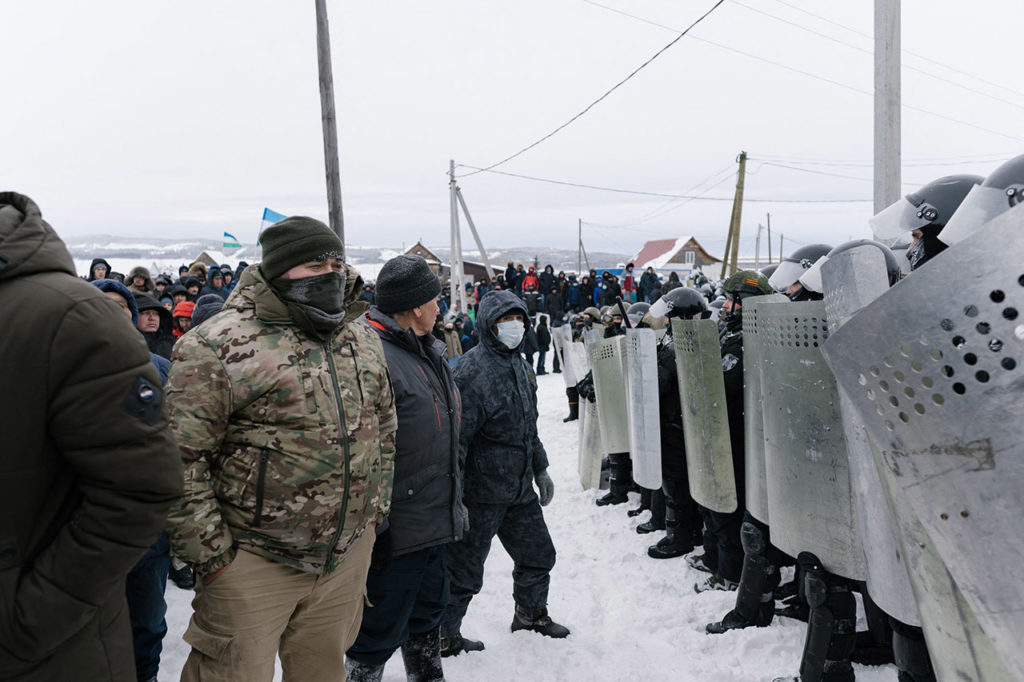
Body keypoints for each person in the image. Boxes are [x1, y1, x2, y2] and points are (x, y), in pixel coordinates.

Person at [165, 215, 398, 682]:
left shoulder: (360, 338)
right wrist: (214, 559)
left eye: (336, 262)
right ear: (279, 268)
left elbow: (385, 427)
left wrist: (374, 515)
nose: (330, 274)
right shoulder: (218, 344)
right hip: (253, 560)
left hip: (343, 558)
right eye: (314, 265)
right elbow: (177, 463)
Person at [0, 192, 182, 681]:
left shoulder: (71, 316)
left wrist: (27, 620)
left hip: (41, 647)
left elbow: (141, 487)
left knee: (148, 623)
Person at [346, 254, 468, 682]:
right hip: (394, 527)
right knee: (378, 629)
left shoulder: (425, 349)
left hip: (433, 517)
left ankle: (427, 675)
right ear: (416, 306)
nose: (441, 307)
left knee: (428, 612)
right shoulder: (372, 353)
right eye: (437, 299)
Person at [440, 290, 570, 656]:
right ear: (487, 325)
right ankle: (444, 635)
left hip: (519, 491)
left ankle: (530, 615)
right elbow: (455, 446)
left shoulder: (522, 365)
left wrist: (540, 468)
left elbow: (529, 427)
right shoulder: (468, 373)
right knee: (463, 573)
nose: (513, 327)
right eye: (503, 321)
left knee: (539, 555)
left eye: (518, 320)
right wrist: (456, 499)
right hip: (480, 495)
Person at [91, 279, 179, 682]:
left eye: (121, 307)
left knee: (147, 626)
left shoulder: (159, 370)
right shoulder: (63, 368)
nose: (114, 313)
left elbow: (181, 447)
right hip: (87, 531)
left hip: (149, 532)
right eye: (102, 304)